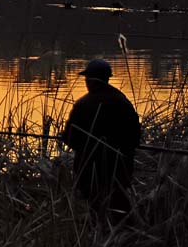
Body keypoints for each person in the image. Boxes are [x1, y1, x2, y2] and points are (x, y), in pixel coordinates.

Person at [60, 59, 141, 217]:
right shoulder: (123, 102)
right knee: (119, 206)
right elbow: (136, 137)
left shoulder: (82, 105)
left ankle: (98, 235)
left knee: (94, 209)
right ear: (107, 78)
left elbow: (70, 139)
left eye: (87, 79)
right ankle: (123, 232)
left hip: (89, 172)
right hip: (120, 169)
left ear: (90, 80)